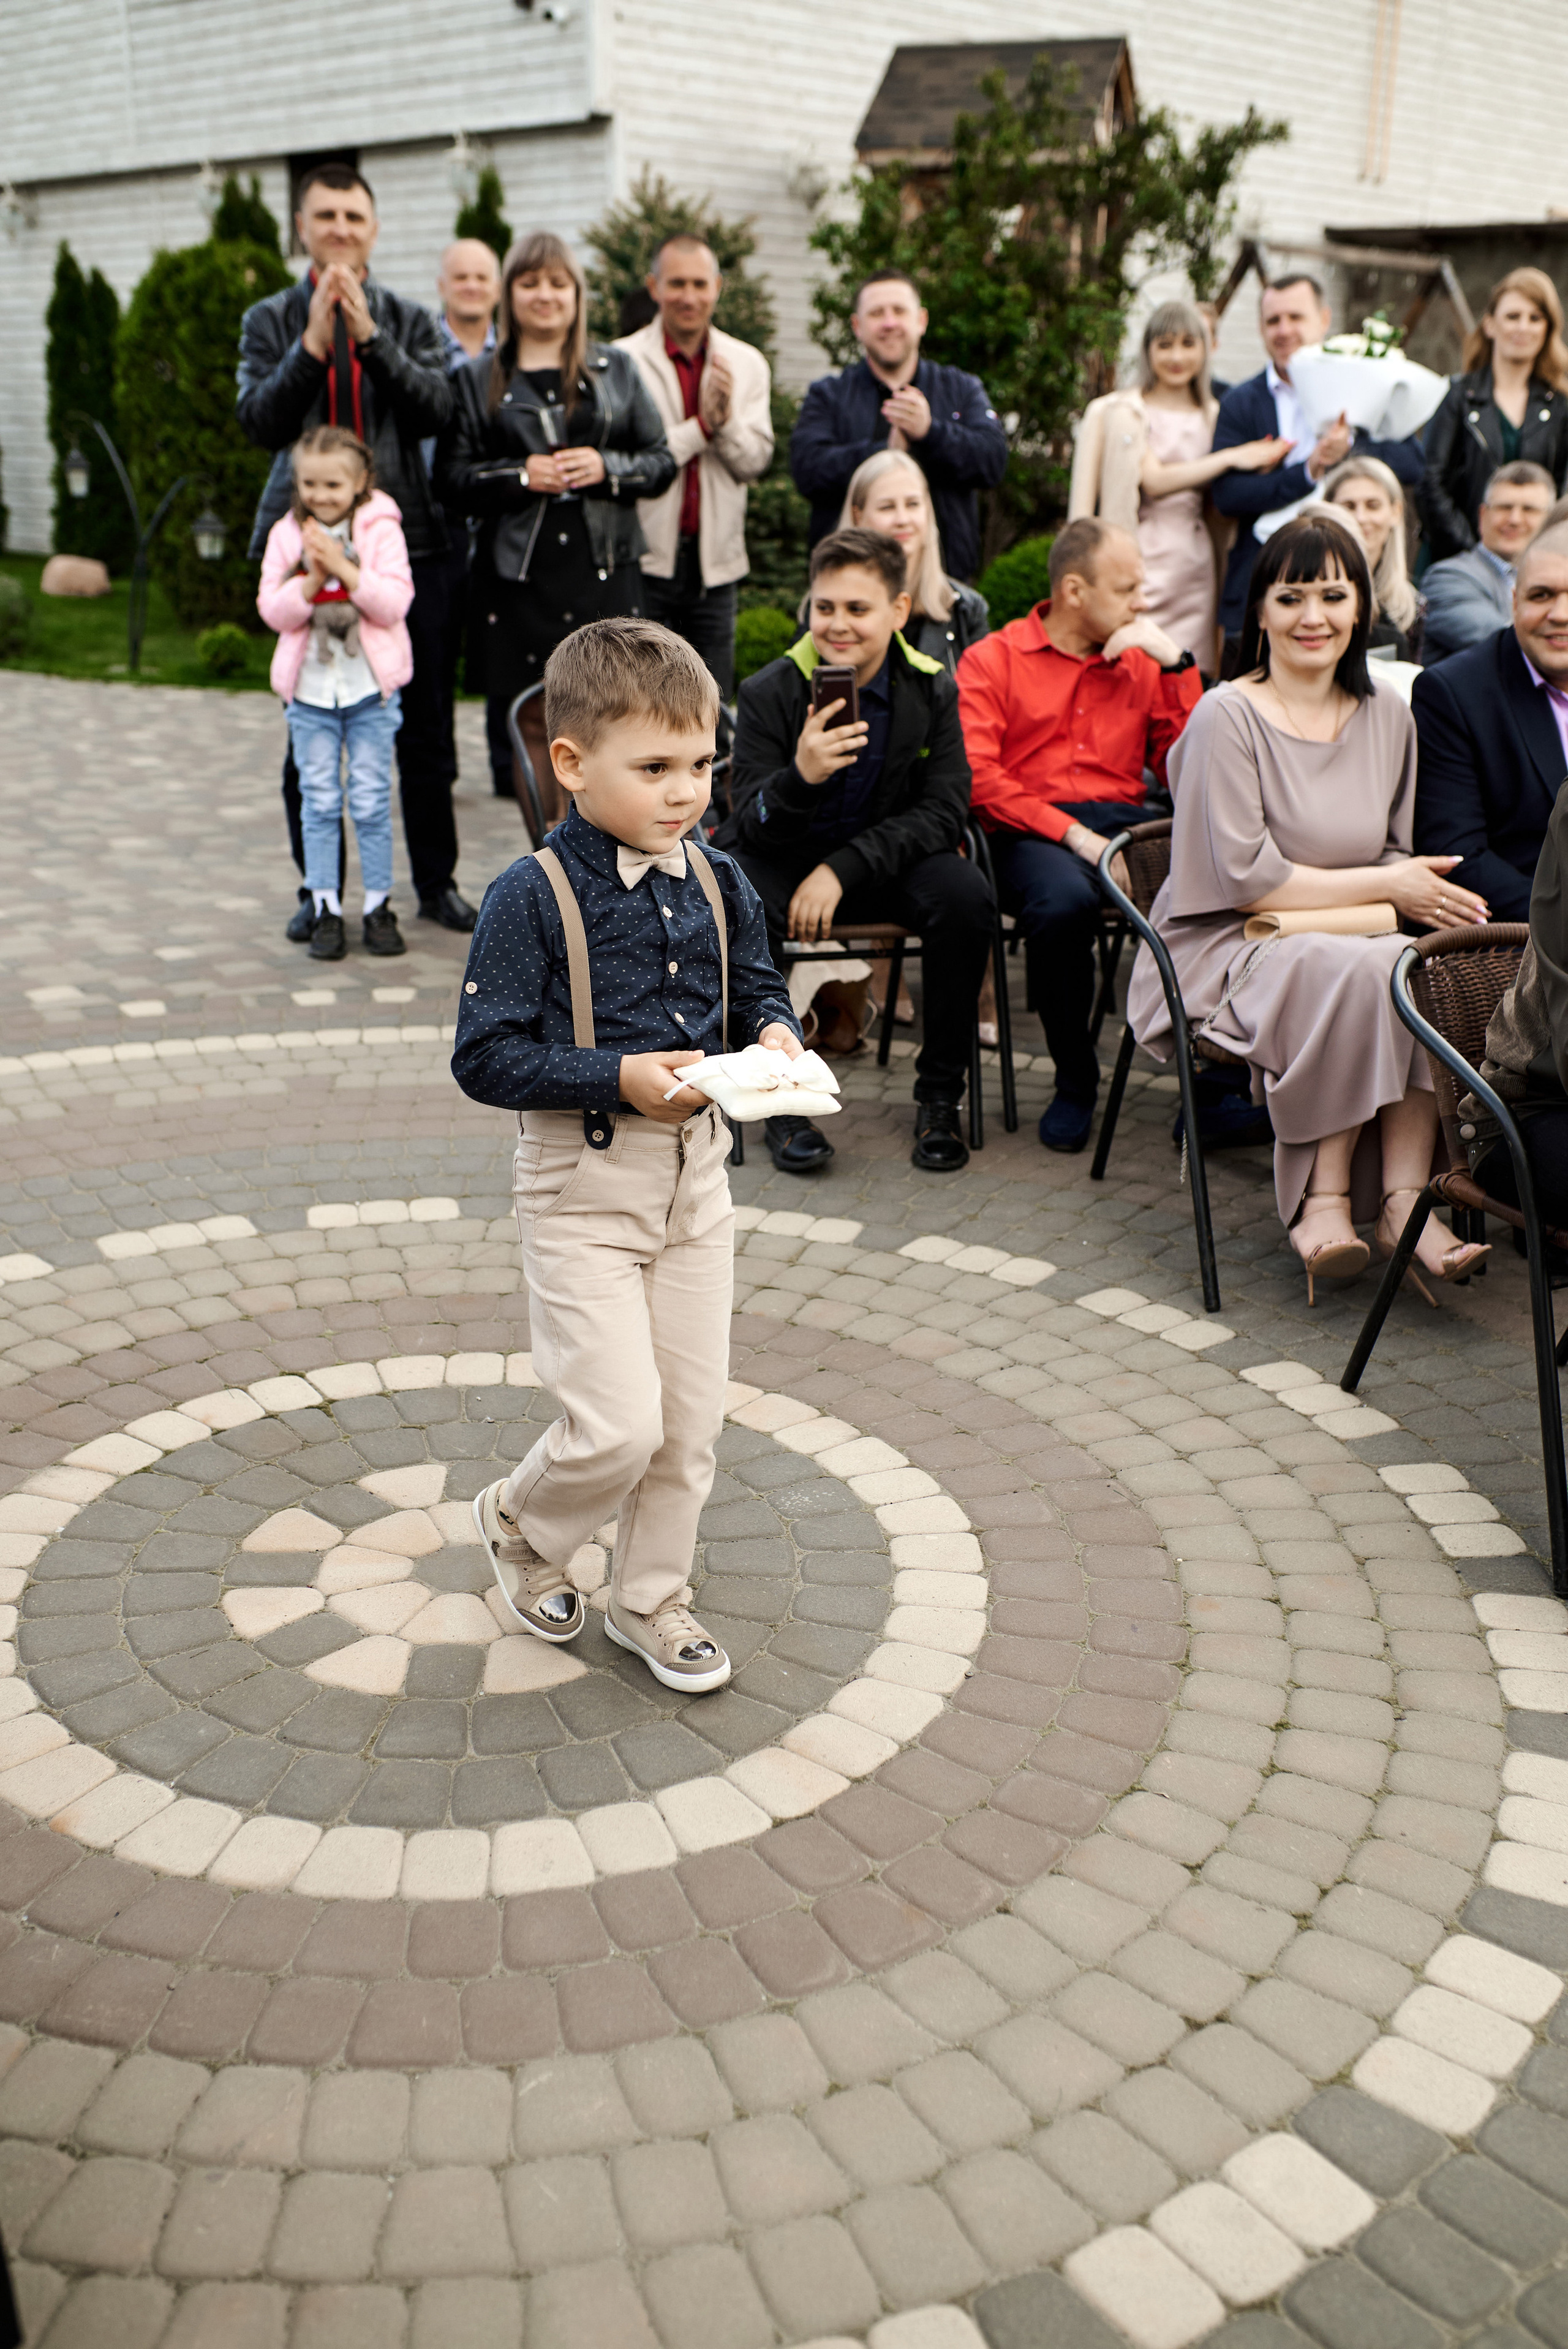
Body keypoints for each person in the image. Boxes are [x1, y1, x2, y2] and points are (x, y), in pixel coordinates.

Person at [451, 618, 801, 1693]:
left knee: (688, 1424)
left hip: (696, 1182)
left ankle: (651, 1597)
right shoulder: (530, 895)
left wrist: (779, 1034)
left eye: (702, 765)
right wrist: (618, 1077)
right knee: (617, 1424)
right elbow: (486, 1054)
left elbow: (759, 980)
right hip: (580, 1186)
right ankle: (520, 1517)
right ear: (571, 763)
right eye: (655, 767)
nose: (686, 790)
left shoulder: (717, 876)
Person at [1127, 511, 1490, 1303]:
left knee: (1410, 966)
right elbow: (1249, 881)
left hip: (1353, 936)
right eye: (1291, 597)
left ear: (1362, 606)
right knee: (1365, 965)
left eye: (1333, 594)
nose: (1313, 617)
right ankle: (1323, 1197)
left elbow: (1395, 850)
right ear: (1259, 611)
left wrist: (1401, 889)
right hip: (1224, 942)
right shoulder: (1227, 714)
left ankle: (1403, 1199)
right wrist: (1390, 888)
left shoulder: (1390, 715)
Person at [237, 164, 477, 939]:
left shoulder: (408, 318)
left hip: (404, 549)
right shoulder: (269, 319)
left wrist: (367, 335)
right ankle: (323, 896)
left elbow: (437, 405)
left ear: (373, 229)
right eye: (325, 215)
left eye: (354, 215)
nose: (340, 228)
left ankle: (433, 884)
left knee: (424, 731)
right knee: (308, 735)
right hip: (299, 547)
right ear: (301, 228)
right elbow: (260, 423)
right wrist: (312, 342)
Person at [715, 526, 993, 1175]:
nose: (837, 625)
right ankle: (778, 1099)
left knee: (965, 897)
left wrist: (841, 871)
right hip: (783, 861)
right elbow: (749, 822)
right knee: (739, 895)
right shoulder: (768, 691)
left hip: (882, 866)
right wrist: (801, 777)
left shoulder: (931, 688)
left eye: (857, 609)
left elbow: (945, 810)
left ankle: (939, 1096)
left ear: (898, 611)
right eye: (825, 607)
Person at [957, 516, 1201, 1154]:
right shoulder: (993, 659)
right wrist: (1076, 838)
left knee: (1224, 889)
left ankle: (1213, 1085)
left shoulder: (1142, 662)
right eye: (1127, 590)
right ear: (1073, 591)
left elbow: (1198, 771)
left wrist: (1176, 665)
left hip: (1129, 822)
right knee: (1063, 904)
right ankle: (1075, 1080)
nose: (1140, 604)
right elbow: (978, 777)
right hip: (1027, 827)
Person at [437, 232, 674, 835]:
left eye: (557, 283)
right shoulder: (475, 379)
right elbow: (451, 480)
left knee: (619, 720)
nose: (545, 295)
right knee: (537, 721)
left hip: (604, 571)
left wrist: (607, 468)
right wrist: (520, 477)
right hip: (518, 579)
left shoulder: (614, 368)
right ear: (509, 294)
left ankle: (613, 863)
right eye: (530, 282)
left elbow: (659, 460)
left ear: (576, 294)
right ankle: (553, 867)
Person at [257, 428, 413, 963]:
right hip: (311, 696)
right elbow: (271, 610)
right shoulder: (286, 534)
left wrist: (344, 570)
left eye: (333, 484)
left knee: (370, 801)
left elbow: (394, 604)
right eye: (309, 483)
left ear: (360, 481)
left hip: (371, 693)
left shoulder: (382, 529)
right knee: (319, 802)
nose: (321, 495)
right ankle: (325, 905)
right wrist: (310, 578)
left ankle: (377, 907)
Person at [1210, 274, 1423, 660]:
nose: (1285, 330)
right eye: (1273, 320)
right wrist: (1307, 471)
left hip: (1347, 590)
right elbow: (1227, 496)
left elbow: (1413, 463)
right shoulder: (1241, 402)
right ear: (1260, 328)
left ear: (1324, 319)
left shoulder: (1361, 380)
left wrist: (1352, 447)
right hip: (1260, 586)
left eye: (1296, 316)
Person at [1071, 299, 1289, 673]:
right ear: (1148, 350)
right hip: (1132, 553)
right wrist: (1232, 457)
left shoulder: (1216, 414)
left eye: (1189, 344)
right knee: (1126, 668)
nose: (1177, 356)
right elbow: (1153, 481)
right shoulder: (1119, 410)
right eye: (1165, 344)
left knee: (1190, 671)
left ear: (1207, 349)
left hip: (1194, 562)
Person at [615, 234, 774, 700]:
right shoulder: (622, 362)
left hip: (715, 569)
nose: (689, 296)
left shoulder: (747, 365)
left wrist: (722, 427)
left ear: (718, 287)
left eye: (700, 284)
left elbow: (755, 462)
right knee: (638, 704)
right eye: (677, 283)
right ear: (653, 287)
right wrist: (704, 426)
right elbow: (629, 465)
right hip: (644, 561)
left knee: (712, 707)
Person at [790, 269, 1008, 581]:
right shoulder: (829, 395)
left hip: (947, 582)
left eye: (899, 311)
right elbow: (807, 471)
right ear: (858, 327)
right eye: (877, 313)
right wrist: (884, 453)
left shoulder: (962, 389)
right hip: (849, 584)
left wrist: (930, 433)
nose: (889, 323)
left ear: (921, 321)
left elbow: (993, 461)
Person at [1412, 523, 1568, 921]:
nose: (1560, 614)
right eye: (1542, 595)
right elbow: (1460, 858)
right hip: (1524, 943)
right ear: (1514, 602)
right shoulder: (1453, 694)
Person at [424, 240, 509, 799]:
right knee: (436, 654)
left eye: (482, 276)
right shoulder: (424, 352)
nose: (472, 286)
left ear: (497, 287)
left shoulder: (515, 356)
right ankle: (438, 770)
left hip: (502, 524)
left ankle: (509, 770)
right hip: (439, 524)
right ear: (443, 285)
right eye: (462, 277)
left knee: (505, 651)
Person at [1421, 267, 1568, 562]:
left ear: (1548, 329)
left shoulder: (1561, 405)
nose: (1523, 327)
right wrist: (1476, 553)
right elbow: (1431, 484)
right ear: (1490, 325)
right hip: (1457, 556)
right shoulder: (1458, 396)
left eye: (1535, 318)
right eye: (1513, 316)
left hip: (1538, 558)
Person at [838, 449, 989, 673]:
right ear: (858, 516)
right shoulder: (829, 606)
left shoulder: (966, 611)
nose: (902, 520)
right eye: (887, 507)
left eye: (913, 504)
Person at [1419, 461, 1555, 662]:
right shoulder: (1447, 578)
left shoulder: (1558, 579)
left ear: (1552, 521)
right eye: (1504, 508)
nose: (1515, 519)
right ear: (1483, 516)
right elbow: (1507, 645)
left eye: (1529, 509)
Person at [1323, 453, 1423, 660]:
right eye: (1349, 507)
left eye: (1373, 506)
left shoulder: (1412, 607)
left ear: (1396, 512)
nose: (1360, 518)